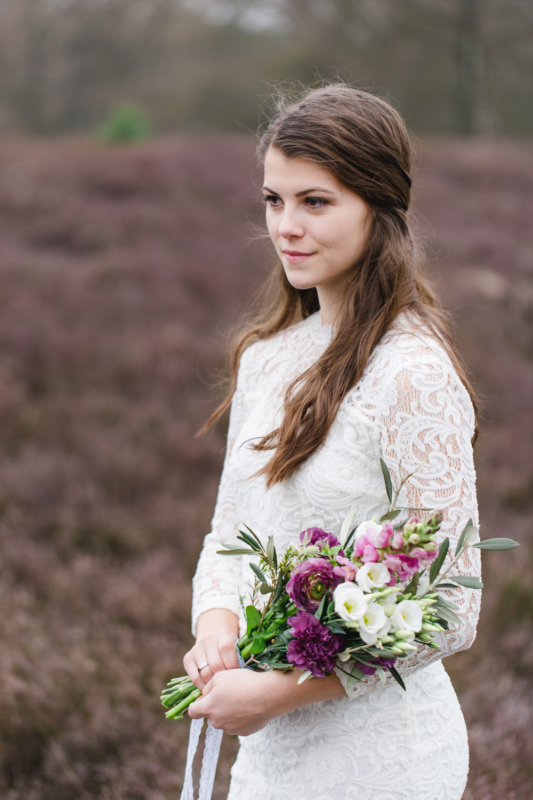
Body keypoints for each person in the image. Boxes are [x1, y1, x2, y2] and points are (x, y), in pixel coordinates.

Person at [183, 84, 480, 800]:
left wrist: (280, 693)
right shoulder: (265, 359)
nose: (286, 225)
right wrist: (215, 625)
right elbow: (230, 534)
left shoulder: (412, 375)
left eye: (314, 202)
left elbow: (450, 607)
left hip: (383, 758)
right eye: (273, 200)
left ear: (378, 206)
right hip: (269, 755)